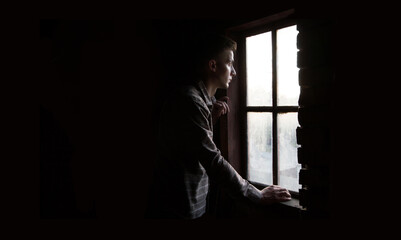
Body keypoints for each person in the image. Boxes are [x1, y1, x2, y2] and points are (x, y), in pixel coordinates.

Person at [146, 33, 291, 219]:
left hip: (186, 205)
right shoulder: (189, 101)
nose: (234, 72)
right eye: (229, 63)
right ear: (213, 65)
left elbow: (189, 143)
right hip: (175, 209)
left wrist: (210, 119)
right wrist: (256, 194)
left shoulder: (202, 102)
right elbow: (212, 160)